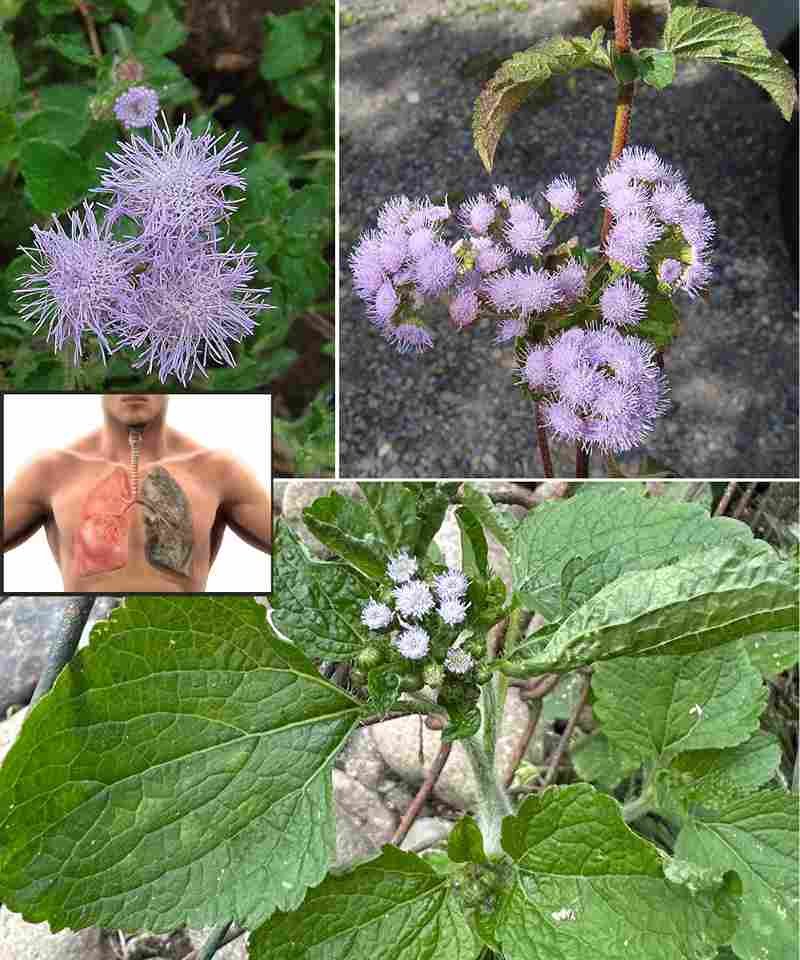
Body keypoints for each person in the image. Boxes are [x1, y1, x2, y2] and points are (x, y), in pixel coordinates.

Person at [2, 395, 271, 592]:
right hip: (83, 642)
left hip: (185, 645)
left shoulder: (218, 470)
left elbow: (294, 545)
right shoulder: (50, 470)